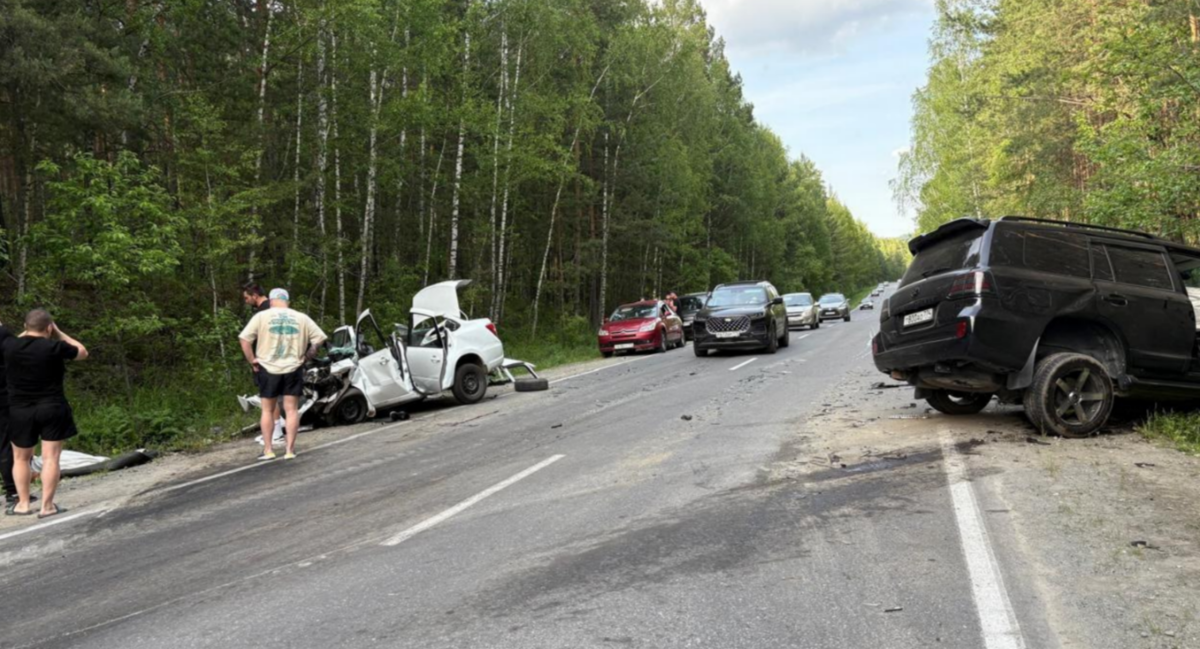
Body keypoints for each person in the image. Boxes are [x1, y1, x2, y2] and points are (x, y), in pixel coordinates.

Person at [3, 310, 88, 518]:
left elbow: (20, 338)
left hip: (20, 409)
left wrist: (27, 331)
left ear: (25, 326)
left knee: (20, 458)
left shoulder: (9, 346)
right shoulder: (54, 347)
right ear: (49, 327)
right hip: (52, 406)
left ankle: (22, 504)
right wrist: (58, 332)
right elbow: (82, 352)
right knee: (51, 457)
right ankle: (47, 506)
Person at [239, 289, 326, 461]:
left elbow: (244, 339)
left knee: (267, 410)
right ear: (288, 301)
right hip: (293, 367)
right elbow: (319, 338)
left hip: (267, 367)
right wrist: (306, 357)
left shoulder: (261, 317)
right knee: (291, 410)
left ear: (271, 301)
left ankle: (269, 449)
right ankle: (289, 450)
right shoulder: (301, 317)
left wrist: (252, 360)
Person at [242, 282, 284, 447]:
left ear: (255, 295)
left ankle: (277, 433)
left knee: (269, 396)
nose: (245, 301)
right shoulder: (274, 308)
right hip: (275, 358)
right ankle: (275, 431)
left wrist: (254, 359)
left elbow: (247, 338)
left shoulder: (264, 312)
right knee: (271, 397)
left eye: (247, 297)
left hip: (266, 359)